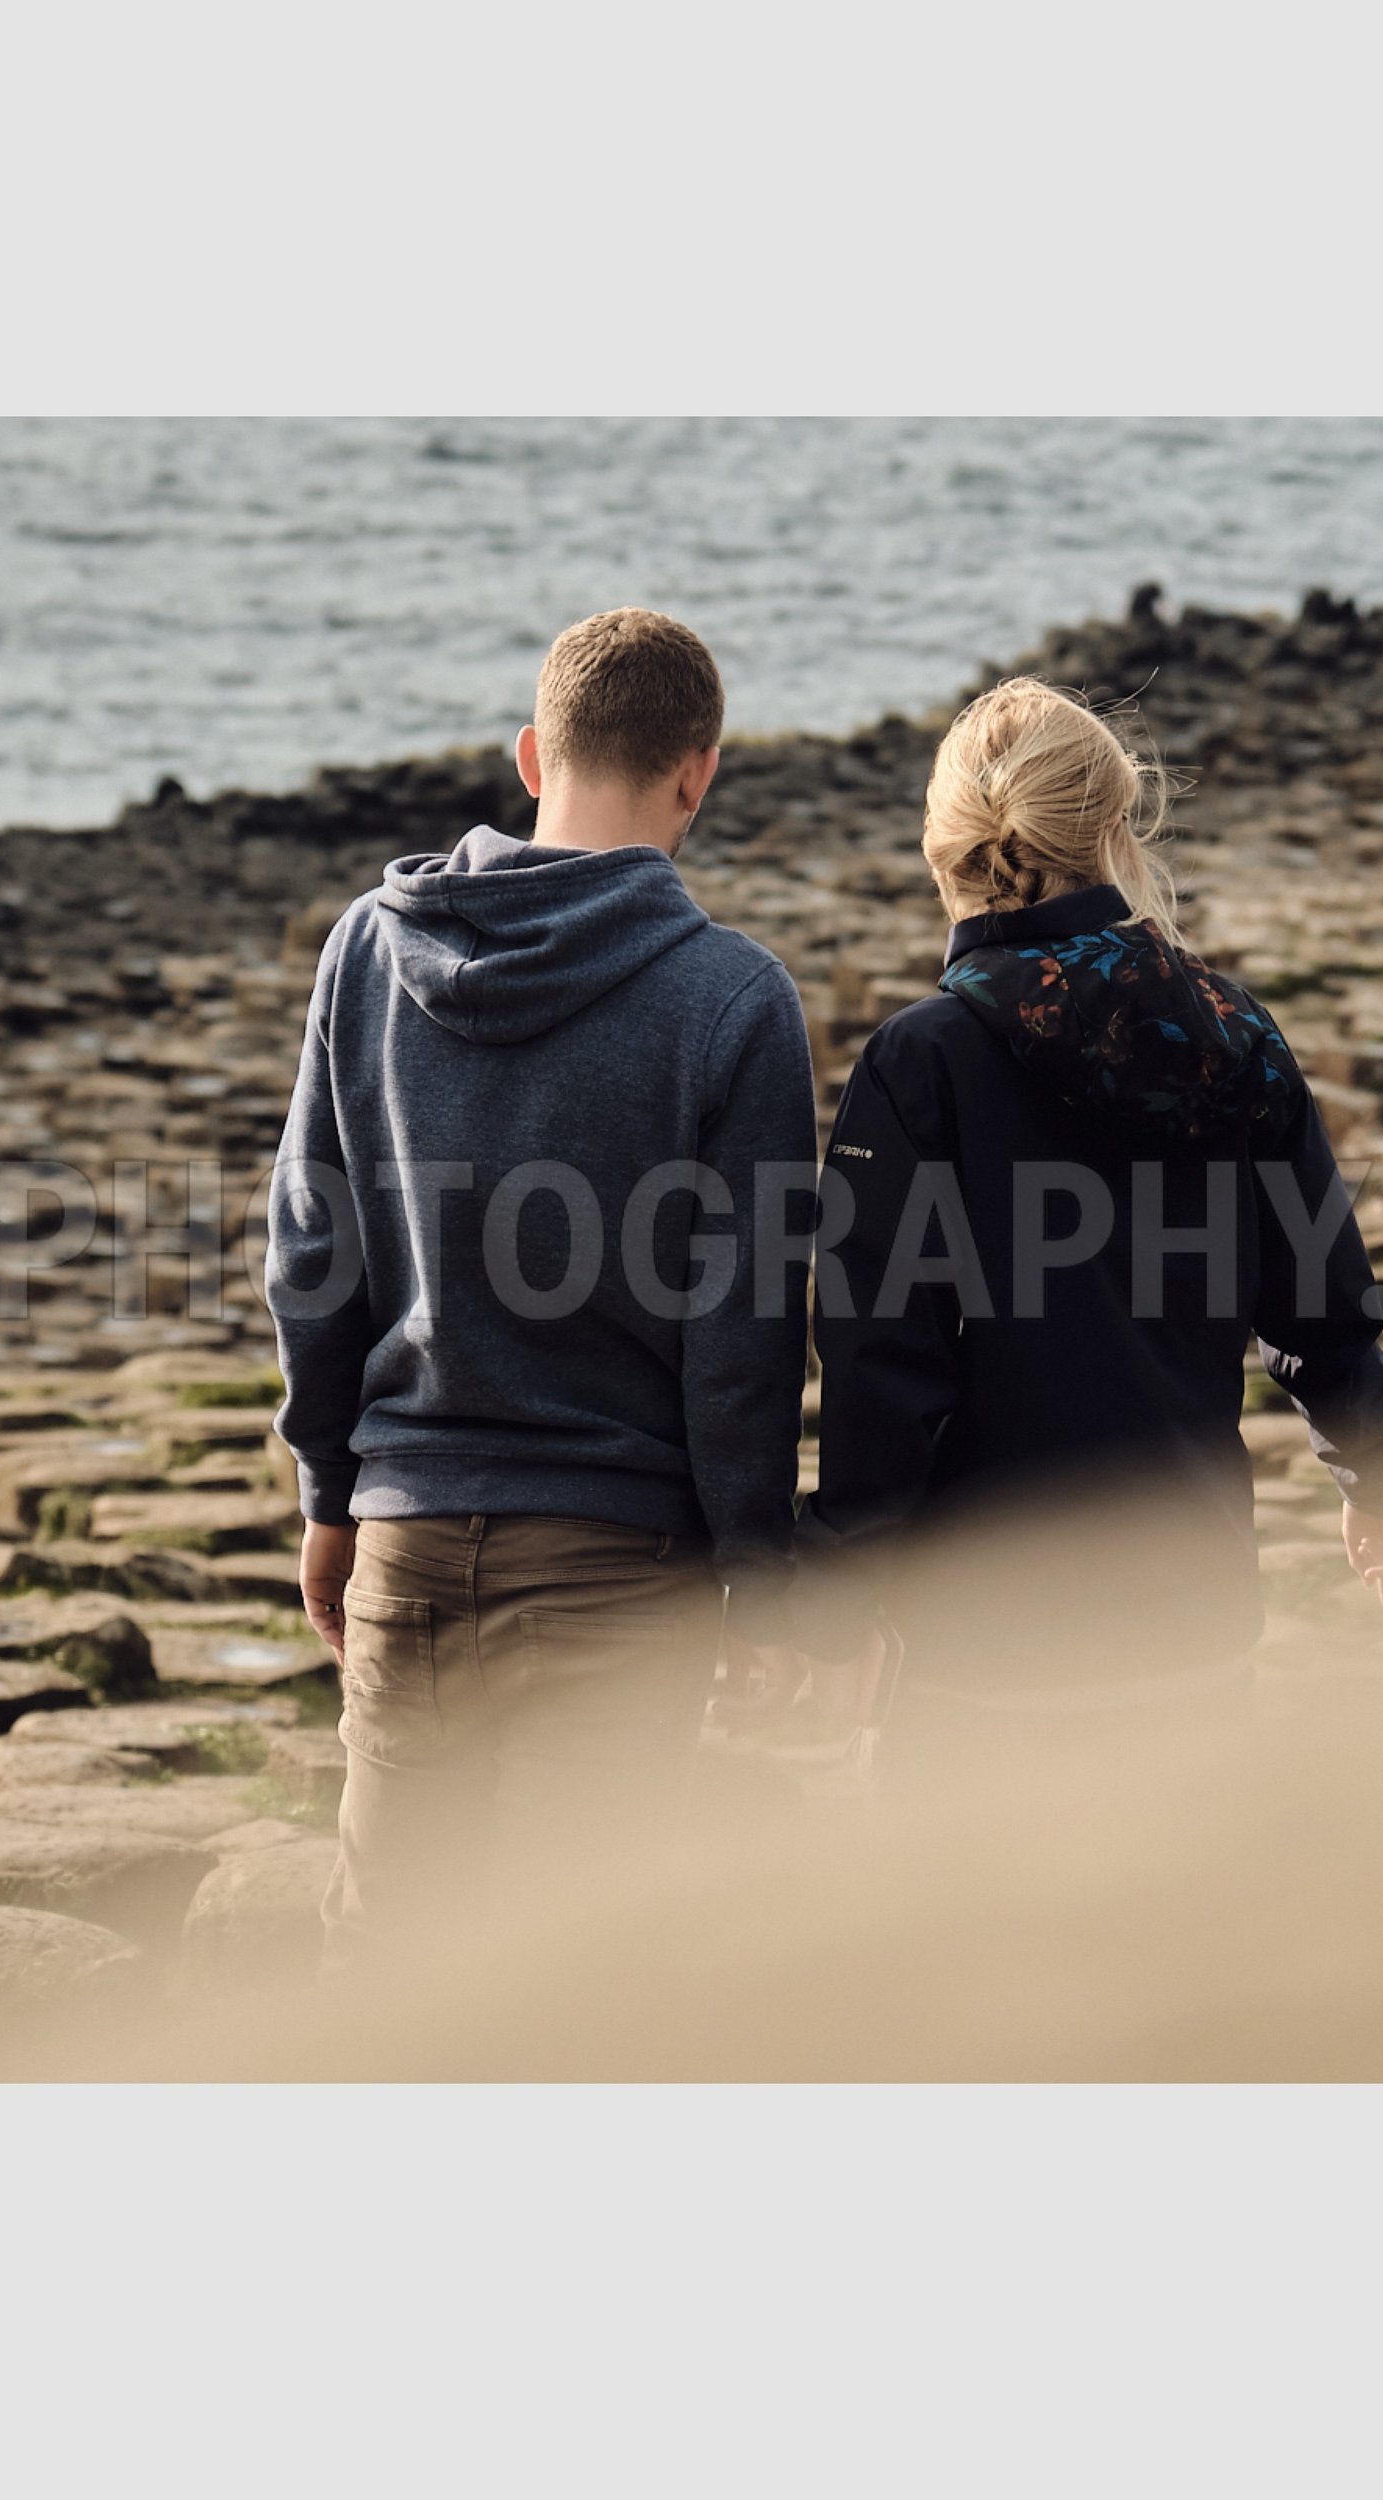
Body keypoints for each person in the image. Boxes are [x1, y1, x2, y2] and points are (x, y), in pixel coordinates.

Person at [267, 607, 815, 1964]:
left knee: (389, 1980)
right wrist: (760, 1574)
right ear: (698, 774)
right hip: (623, 1571)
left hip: (406, 1538)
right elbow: (742, 1338)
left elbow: (307, 1254)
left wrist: (331, 1494)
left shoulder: (363, 952)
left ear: (531, 755)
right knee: (591, 1985)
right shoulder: (734, 1000)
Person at [784, 676, 1383, 1754]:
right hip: (1192, 1610)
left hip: (981, 1635)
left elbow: (881, 1365)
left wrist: (836, 1603)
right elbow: (1320, 1308)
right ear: (1117, 831)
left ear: (946, 846)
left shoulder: (922, 1058)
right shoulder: (1234, 1033)